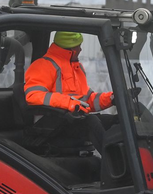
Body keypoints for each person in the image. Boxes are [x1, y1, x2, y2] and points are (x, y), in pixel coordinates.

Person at [24, 32, 117, 180]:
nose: (81, 49)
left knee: (116, 121)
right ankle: (115, 170)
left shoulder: (76, 68)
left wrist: (112, 98)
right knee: (91, 122)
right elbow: (33, 95)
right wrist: (69, 103)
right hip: (50, 129)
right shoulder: (43, 65)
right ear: (70, 49)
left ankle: (132, 166)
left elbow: (88, 100)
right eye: (78, 46)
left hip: (72, 122)